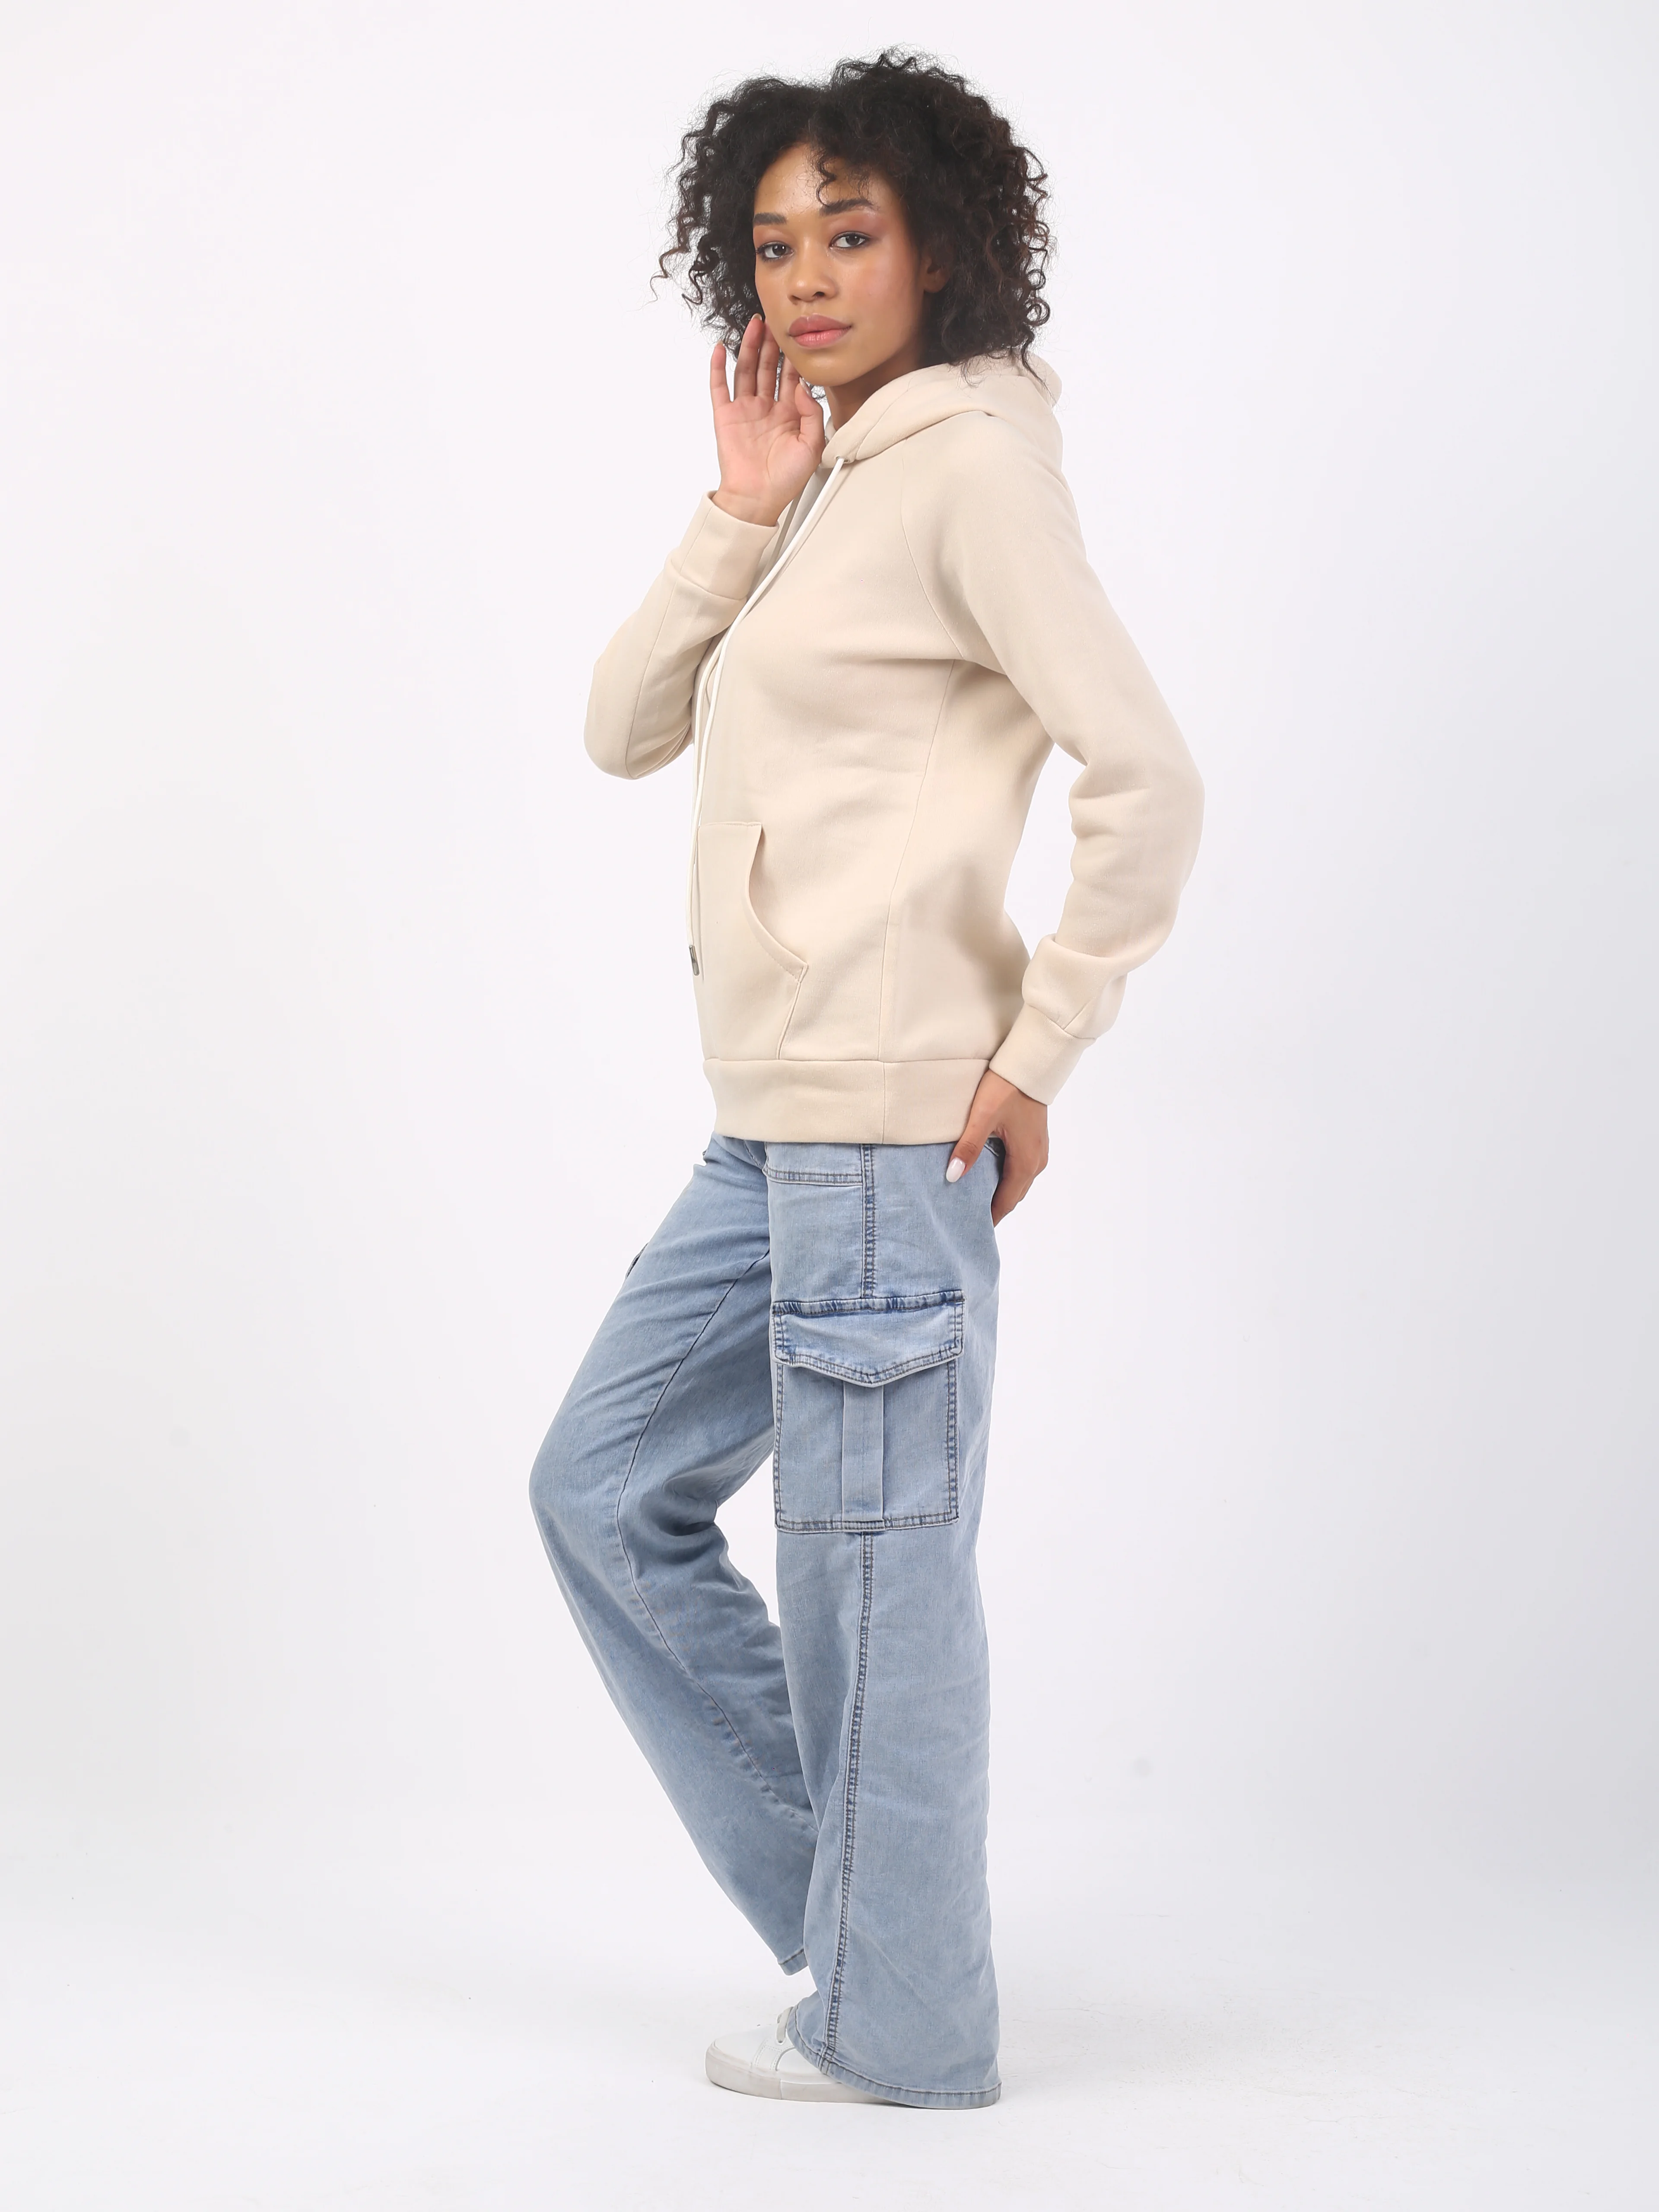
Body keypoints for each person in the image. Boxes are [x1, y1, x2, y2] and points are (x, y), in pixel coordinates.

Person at [529, 51, 1203, 2110]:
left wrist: (1038, 1044)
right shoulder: (833, 471)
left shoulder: (973, 465)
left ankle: (902, 2019)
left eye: (851, 232)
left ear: (942, 242)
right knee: (601, 1491)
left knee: (872, 1590)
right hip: (771, 1130)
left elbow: (1147, 776)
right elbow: (619, 726)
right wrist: (739, 508)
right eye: (772, 244)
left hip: (885, 1126)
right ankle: (876, 1940)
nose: (807, 277)